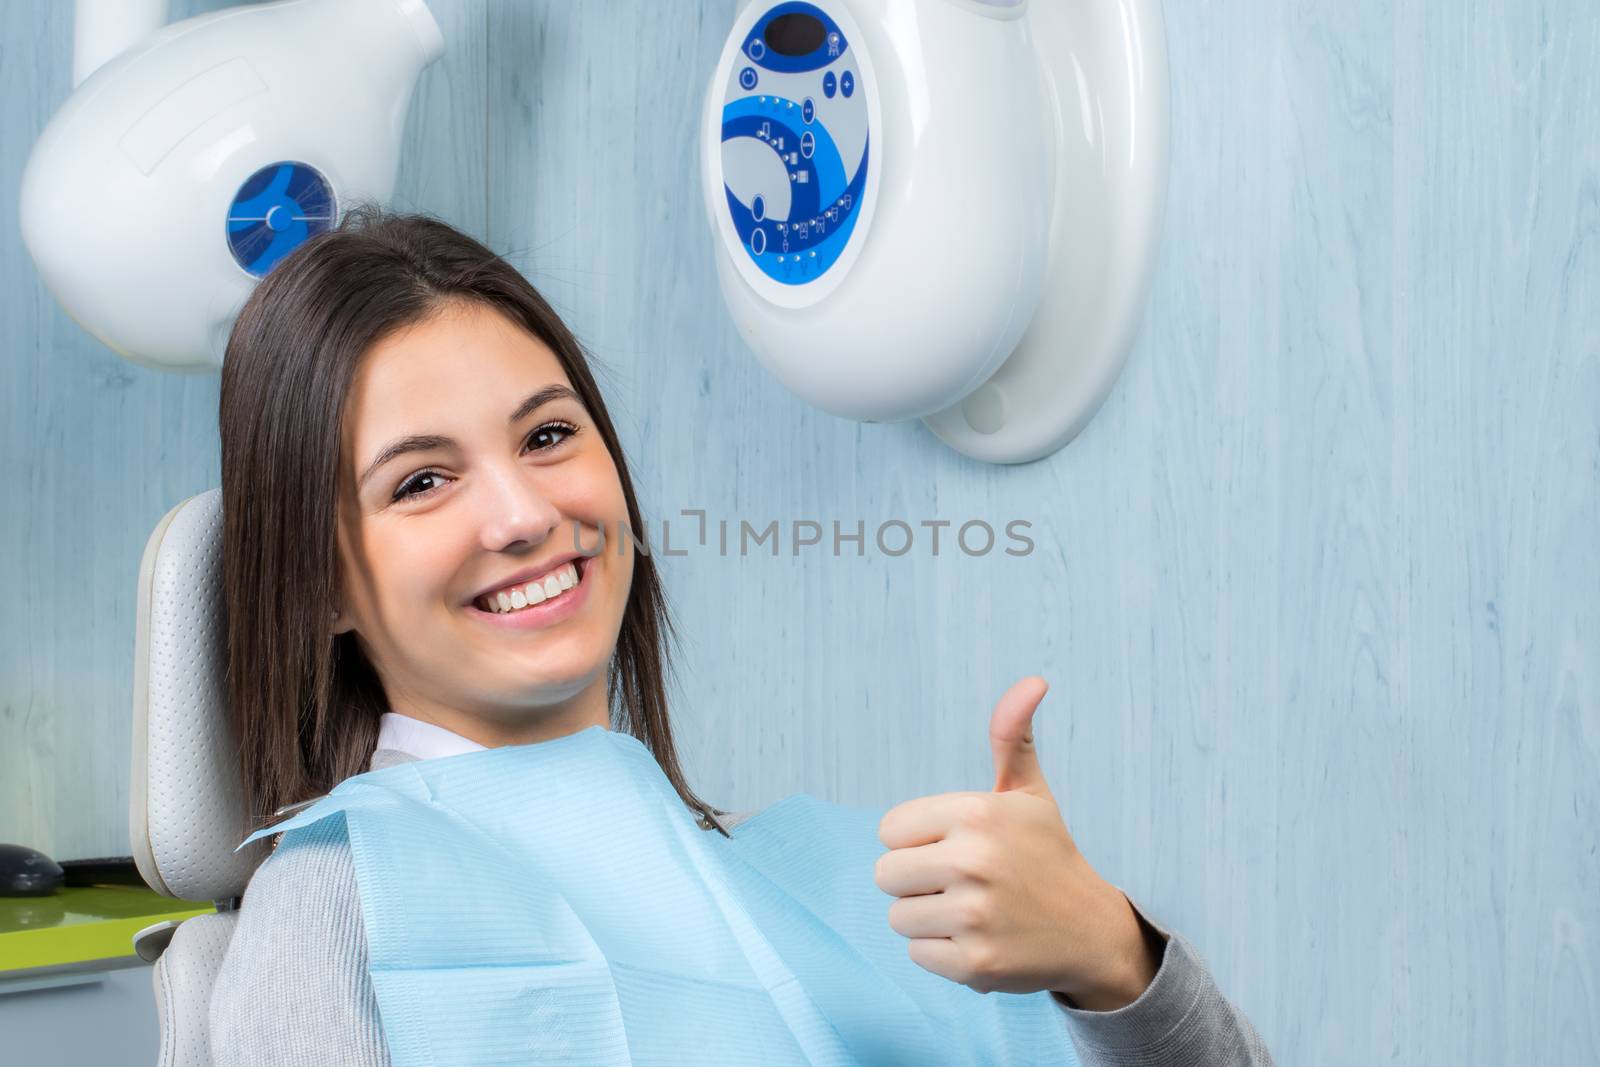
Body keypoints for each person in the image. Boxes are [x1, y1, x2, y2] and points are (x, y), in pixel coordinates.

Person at [207, 205, 1274, 1066]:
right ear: (319, 584)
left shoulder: (837, 879)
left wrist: (1112, 956)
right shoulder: (340, 899)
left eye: (547, 435)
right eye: (423, 481)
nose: (523, 515)